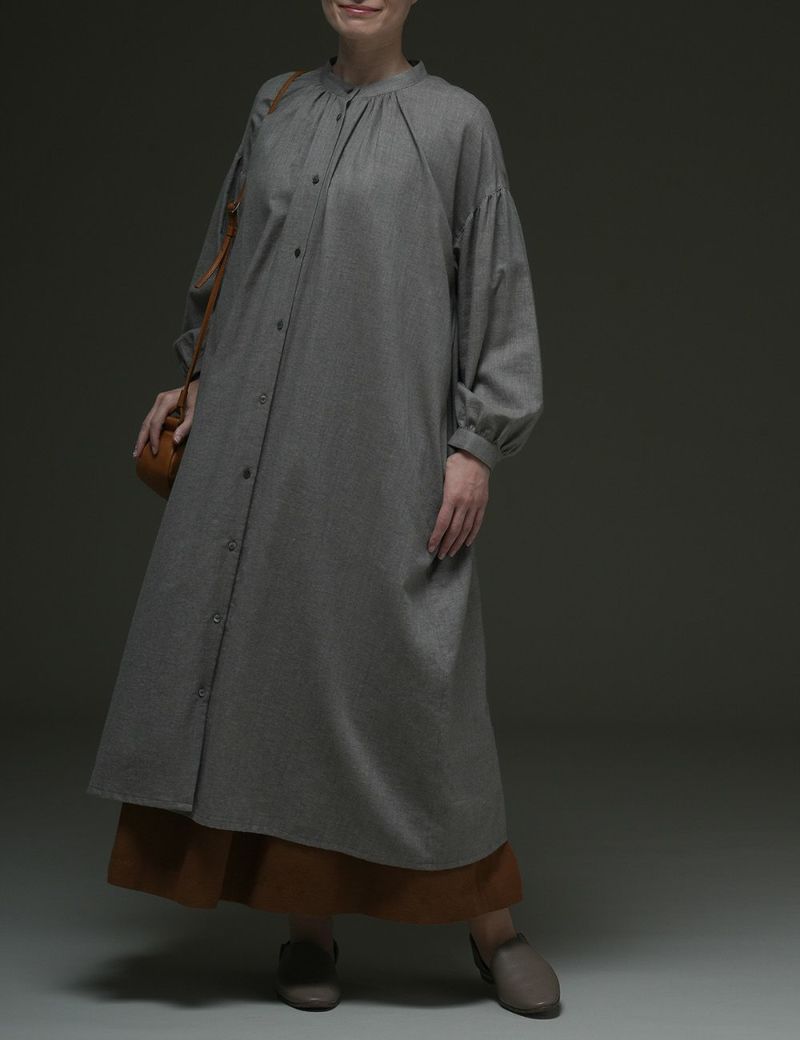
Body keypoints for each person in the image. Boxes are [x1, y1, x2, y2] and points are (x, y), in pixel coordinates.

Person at [86, 0, 560, 1018]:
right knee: (278, 675)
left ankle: (492, 926)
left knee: (415, 684)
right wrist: (195, 373)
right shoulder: (276, 104)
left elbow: (496, 281)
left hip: (384, 450)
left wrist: (476, 443)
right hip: (255, 444)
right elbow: (228, 255)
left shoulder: (456, 123)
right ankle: (307, 927)